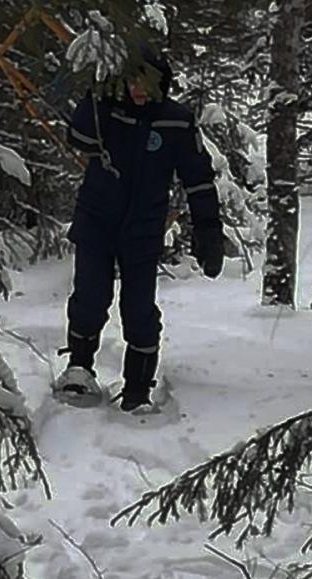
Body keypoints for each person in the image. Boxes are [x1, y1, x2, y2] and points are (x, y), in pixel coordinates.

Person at [53, 43, 224, 413]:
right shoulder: (107, 110)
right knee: (89, 298)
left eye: (146, 82)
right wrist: (96, 96)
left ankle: (137, 388)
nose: (138, 89)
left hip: (143, 229)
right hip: (96, 222)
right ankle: (79, 369)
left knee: (139, 310)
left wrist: (208, 228)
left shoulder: (175, 120)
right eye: (131, 81)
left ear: (162, 82)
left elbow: (198, 177)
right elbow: (78, 137)